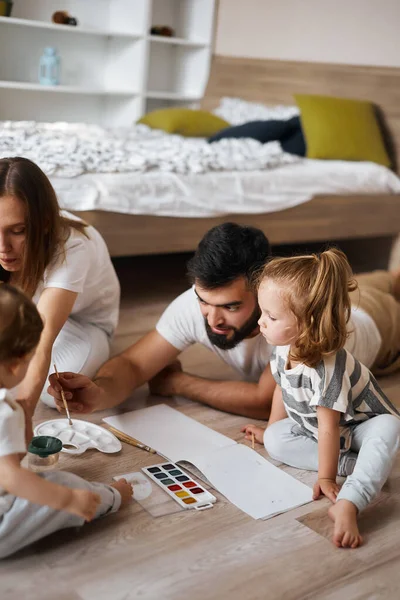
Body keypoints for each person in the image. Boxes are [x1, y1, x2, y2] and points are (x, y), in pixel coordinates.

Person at [48, 222, 400, 420]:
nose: (211, 319)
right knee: (384, 277)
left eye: (230, 307)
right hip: (340, 292)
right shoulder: (197, 304)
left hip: (377, 323)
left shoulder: (297, 328)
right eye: (203, 300)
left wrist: (177, 383)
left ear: (263, 291)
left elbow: (267, 403)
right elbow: (133, 364)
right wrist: (99, 392)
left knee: (390, 285)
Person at [242, 248, 400, 549]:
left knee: (390, 428)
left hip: (358, 426)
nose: (261, 322)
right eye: (262, 313)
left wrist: (327, 478)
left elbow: (330, 427)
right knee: (276, 439)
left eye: (271, 316)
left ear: (308, 323)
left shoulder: (327, 367)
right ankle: (357, 464)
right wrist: (271, 428)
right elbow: (281, 388)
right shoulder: (283, 348)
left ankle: (351, 501)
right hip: (328, 433)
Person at [0, 284, 132, 559]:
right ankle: (113, 498)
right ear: (16, 365)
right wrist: (68, 500)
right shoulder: (6, 411)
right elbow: (10, 477)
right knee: (62, 484)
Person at [0, 157, 120, 419]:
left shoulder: (74, 246)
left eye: (18, 231)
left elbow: (42, 343)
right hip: (24, 314)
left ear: (43, 222)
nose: (3, 247)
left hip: (81, 327)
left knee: (51, 390)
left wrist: (22, 423)